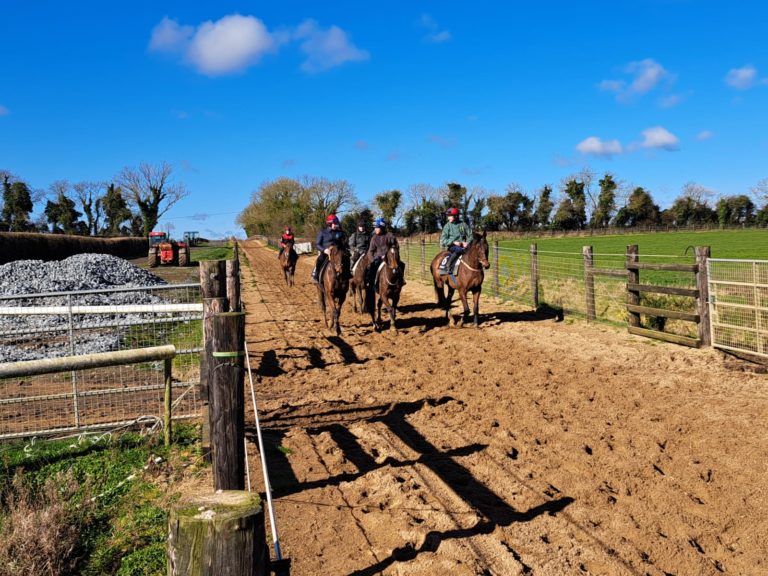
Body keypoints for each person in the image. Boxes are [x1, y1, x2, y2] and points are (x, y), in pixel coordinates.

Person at [365, 217, 406, 288]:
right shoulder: (374, 238)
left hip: (389, 257)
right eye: (375, 228)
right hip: (378, 257)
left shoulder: (390, 235)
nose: (375, 229)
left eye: (377, 228)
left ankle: (401, 280)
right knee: (372, 268)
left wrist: (390, 254)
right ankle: (371, 283)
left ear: (382, 227)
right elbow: (370, 251)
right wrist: (372, 261)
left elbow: (395, 246)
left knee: (401, 264)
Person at [311, 214, 347, 282]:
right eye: (335, 223)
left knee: (346, 259)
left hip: (337, 253)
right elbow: (317, 244)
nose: (337, 225)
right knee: (319, 260)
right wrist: (324, 250)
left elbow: (343, 242)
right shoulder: (322, 232)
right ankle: (316, 274)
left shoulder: (340, 233)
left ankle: (348, 274)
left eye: (337, 223)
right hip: (326, 253)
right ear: (330, 224)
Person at [439, 207, 472, 273]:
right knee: (459, 250)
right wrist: (453, 242)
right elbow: (443, 240)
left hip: (464, 246)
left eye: (450, 216)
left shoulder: (463, 224)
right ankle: (448, 265)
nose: (448, 218)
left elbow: (470, 235)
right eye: (448, 216)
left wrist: (467, 242)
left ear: (456, 216)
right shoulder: (447, 226)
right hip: (452, 246)